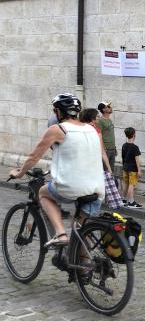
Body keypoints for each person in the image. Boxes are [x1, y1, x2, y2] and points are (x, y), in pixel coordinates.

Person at [9, 94, 105, 247]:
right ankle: (89, 267)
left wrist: (19, 173)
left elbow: (34, 157)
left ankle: (60, 234)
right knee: (80, 235)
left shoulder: (58, 129)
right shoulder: (91, 129)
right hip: (97, 188)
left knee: (42, 193)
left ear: (59, 112)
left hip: (71, 187)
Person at [79, 107, 113, 175]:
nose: (99, 118)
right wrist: (109, 168)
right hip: (93, 164)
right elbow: (102, 151)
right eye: (97, 116)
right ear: (92, 118)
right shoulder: (96, 131)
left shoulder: (79, 129)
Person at [121, 127, 143, 208]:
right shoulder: (135, 147)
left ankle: (123, 199)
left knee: (125, 184)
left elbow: (122, 157)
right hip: (133, 169)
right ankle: (131, 202)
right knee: (131, 184)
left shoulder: (124, 145)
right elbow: (137, 160)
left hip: (125, 167)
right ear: (134, 135)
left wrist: (124, 166)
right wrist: (139, 170)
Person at [97, 101, 117, 174]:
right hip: (106, 150)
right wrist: (103, 148)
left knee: (112, 170)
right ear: (103, 110)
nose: (110, 108)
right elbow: (99, 134)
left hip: (112, 149)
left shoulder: (110, 120)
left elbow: (111, 134)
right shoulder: (100, 121)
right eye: (108, 107)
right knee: (106, 171)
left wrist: (114, 147)